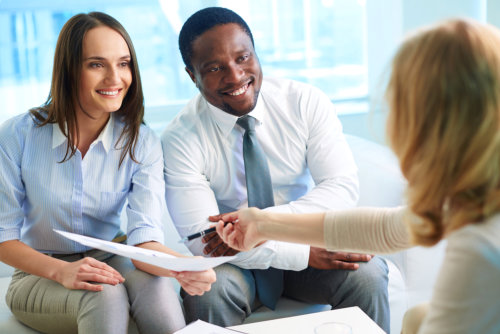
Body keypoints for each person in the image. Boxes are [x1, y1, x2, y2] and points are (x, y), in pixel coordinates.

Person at [216, 18, 500, 334]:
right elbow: (392, 229)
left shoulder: (482, 250)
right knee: (418, 317)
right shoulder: (480, 194)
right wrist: (263, 224)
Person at [161, 6, 389, 331]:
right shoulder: (180, 137)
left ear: (255, 53)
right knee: (209, 288)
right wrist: (300, 253)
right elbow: (207, 241)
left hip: (299, 243)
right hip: (236, 264)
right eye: (214, 68)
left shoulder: (304, 101)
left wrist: (265, 228)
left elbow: (340, 187)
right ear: (191, 75)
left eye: (242, 58)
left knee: (366, 274)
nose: (235, 76)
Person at [0, 12, 215, 334]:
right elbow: (4, 237)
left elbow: (143, 238)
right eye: (96, 64)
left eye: (124, 63)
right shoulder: (19, 135)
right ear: (70, 70)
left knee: (158, 289)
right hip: (39, 273)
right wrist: (62, 271)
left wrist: (185, 267)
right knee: (104, 295)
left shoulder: (141, 142)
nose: (115, 78)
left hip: (113, 258)